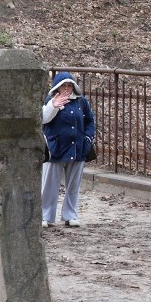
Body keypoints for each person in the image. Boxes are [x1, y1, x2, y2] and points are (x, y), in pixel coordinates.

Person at [41, 71, 96, 227]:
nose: (66, 88)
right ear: (57, 88)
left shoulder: (81, 102)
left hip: (77, 148)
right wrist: (53, 106)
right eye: (63, 86)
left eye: (69, 85)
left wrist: (87, 138)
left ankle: (70, 215)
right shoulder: (49, 101)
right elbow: (44, 118)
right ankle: (45, 215)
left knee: (73, 185)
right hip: (55, 148)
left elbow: (90, 121)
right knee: (49, 185)